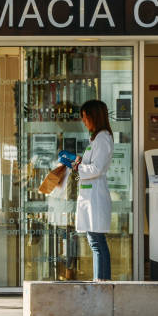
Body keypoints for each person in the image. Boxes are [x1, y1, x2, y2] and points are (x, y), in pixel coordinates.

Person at [59, 100, 114, 281]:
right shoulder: (97, 139)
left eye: (85, 117)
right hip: (91, 197)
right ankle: (101, 281)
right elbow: (90, 164)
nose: (83, 121)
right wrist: (77, 161)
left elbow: (96, 168)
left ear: (94, 117)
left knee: (97, 242)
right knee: (95, 241)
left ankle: (102, 282)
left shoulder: (103, 139)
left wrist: (76, 167)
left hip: (96, 198)